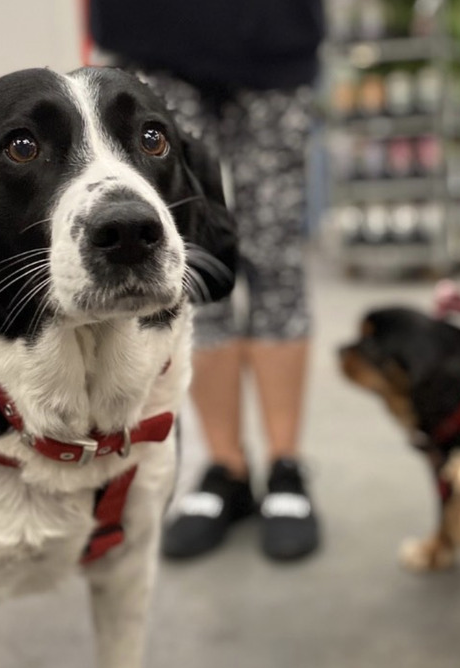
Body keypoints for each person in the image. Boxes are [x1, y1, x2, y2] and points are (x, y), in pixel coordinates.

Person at [90, 0, 325, 561]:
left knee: (275, 254)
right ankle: (226, 467)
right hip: (154, 33)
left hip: (273, 34)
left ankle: (286, 467)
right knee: (188, 258)